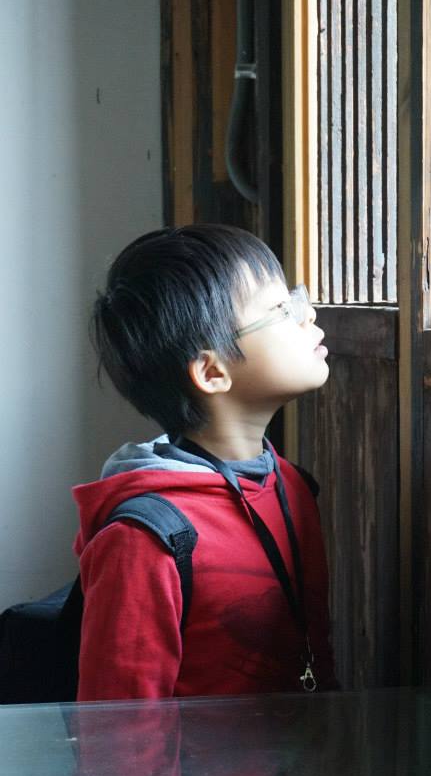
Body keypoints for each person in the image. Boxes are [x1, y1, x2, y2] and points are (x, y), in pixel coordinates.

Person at [72, 224, 336, 700]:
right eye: (282, 310)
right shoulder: (145, 538)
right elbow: (120, 723)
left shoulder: (291, 486)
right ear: (212, 371)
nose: (308, 314)